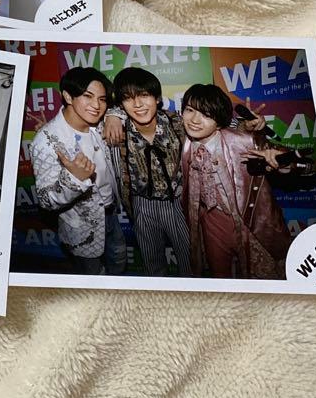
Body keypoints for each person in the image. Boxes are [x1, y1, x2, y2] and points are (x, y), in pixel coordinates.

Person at [179, 85, 293, 279]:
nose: (195, 120)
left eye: (206, 115)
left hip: (249, 223)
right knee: (220, 279)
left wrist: (282, 162)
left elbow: (301, 164)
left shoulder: (243, 142)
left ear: (219, 122)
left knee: (260, 280)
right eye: (189, 110)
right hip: (210, 223)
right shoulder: (184, 141)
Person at [29, 66, 126, 274]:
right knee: (93, 277)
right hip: (82, 229)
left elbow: (127, 105)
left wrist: (114, 115)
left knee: (119, 261)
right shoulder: (45, 141)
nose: (96, 106)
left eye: (102, 99)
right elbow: (45, 200)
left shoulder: (100, 123)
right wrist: (74, 180)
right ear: (68, 96)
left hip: (111, 213)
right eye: (87, 96)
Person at [102, 67, 192, 276]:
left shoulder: (177, 122)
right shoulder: (116, 131)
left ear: (157, 98)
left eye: (144, 95)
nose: (138, 104)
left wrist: (245, 126)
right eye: (128, 98)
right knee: (153, 266)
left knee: (190, 261)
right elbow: (86, 123)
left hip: (177, 202)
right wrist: (111, 115)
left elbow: (211, 122)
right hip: (141, 204)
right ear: (121, 104)